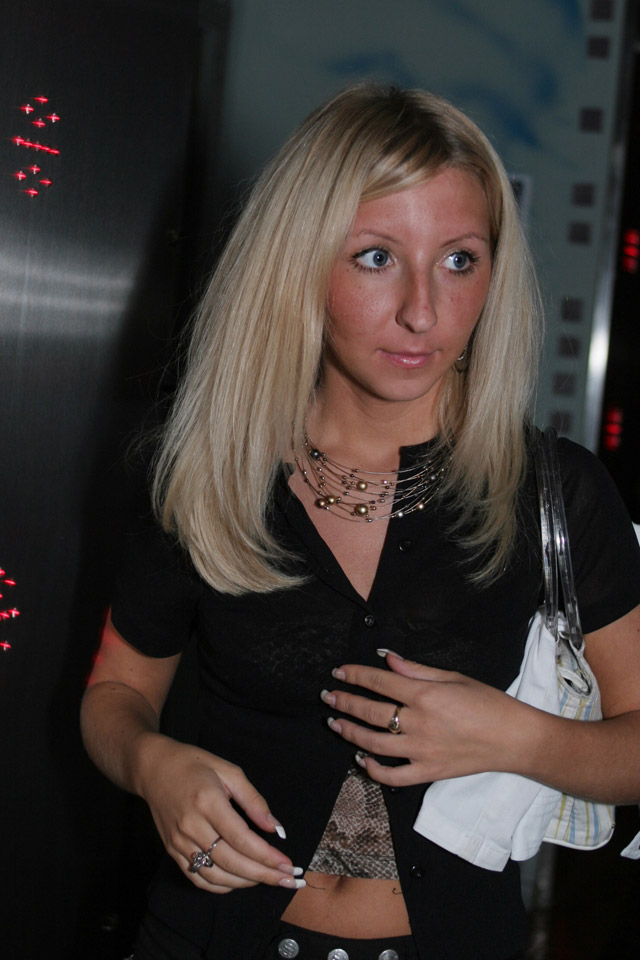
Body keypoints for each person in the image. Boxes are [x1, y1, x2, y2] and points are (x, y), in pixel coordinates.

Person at [81, 84, 640, 960]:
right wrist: (156, 767)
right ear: (299, 263)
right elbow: (114, 697)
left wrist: (522, 738)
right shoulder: (211, 476)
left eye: (460, 260)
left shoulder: (556, 494)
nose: (423, 310)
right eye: (377, 257)